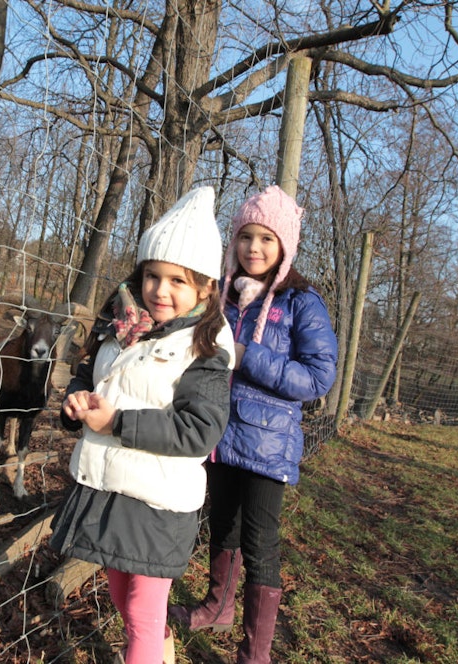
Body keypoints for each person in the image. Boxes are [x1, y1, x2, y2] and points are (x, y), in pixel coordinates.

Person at [49, 186, 236, 664]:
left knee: (141, 612)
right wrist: (77, 406)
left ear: (205, 288)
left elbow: (199, 430)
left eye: (178, 280)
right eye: (153, 275)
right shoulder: (118, 328)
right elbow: (90, 382)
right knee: (119, 594)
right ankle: (163, 651)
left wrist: (117, 423)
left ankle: (153, 648)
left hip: (160, 502)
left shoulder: (205, 350)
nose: (160, 290)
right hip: (108, 488)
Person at [167, 185, 338, 663]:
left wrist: (247, 356)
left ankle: (255, 653)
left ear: (284, 246)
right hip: (219, 434)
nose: (253, 248)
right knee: (221, 526)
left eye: (266, 239)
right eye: (245, 236)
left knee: (260, 542)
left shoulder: (303, 302)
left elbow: (319, 376)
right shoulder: (222, 298)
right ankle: (216, 607)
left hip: (268, 445)